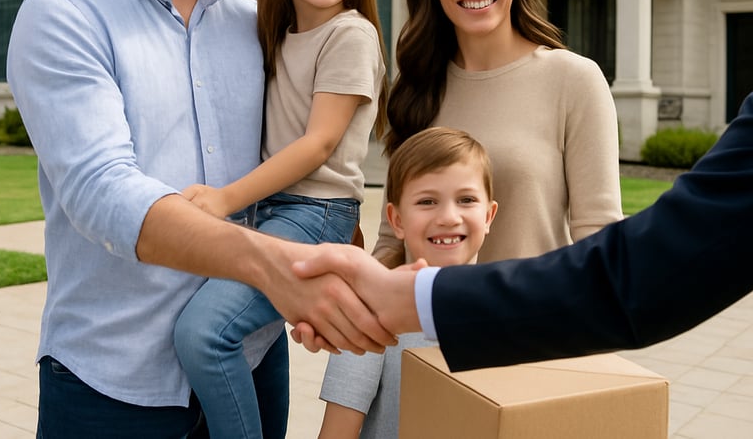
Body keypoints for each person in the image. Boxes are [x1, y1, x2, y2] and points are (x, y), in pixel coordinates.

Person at [6, 0, 394, 439]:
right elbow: (102, 191)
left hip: (249, 359)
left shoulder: (256, 25)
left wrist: (333, 244)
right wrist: (275, 266)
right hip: (112, 383)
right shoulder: (64, 12)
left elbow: (307, 148)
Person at [291, 91, 753, 374]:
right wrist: (367, 295)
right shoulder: (420, 86)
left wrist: (417, 298)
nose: (448, 215)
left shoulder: (573, 80)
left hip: (540, 346)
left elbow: (634, 265)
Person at [172, 0, 388, 439]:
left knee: (203, 333)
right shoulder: (275, 34)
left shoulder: (351, 33)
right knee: (252, 344)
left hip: (314, 213)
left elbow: (318, 145)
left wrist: (223, 199)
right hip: (279, 213)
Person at [373, 0, 622, 267]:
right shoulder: (416, 86)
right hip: (426, 322)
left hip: (530, 322)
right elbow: (393, 238)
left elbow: (600, 237)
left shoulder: (574, 80)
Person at [318, 127, 497, 438]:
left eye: (466, 199)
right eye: (427, 201)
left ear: (489, 216)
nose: (448, 217)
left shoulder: (509, 313)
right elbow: (336, 433)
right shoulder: (371, 315)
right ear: (397, 220)